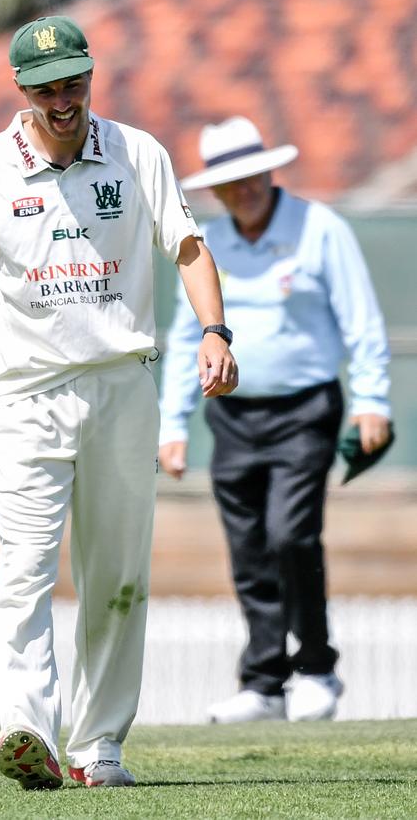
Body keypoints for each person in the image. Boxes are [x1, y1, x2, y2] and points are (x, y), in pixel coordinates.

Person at [0, 15, 238, 789]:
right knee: (24, 565)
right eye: (47, 87)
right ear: (22, 90)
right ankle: (27, 725)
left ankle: (99, 746)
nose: (64, 100)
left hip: (122, 387)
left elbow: (189, 246)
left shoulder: (136, 154)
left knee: (117, 574)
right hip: (27, 398)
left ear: (90, 77)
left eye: (75, 82)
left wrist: (215, 330)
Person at [159, 116, 392, 724]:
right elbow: (188, 336)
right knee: (248, 546)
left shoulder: (321, 229)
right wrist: (173, 423)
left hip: (306, 410)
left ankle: (316, 667)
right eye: (229, 183)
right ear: (215, 190)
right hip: (232, 416)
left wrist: (373, 401)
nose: (244, 190)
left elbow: (361, 322)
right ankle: (264, 682)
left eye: (251, 176)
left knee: (290, 534)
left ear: (269, 171)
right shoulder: (207, 244)